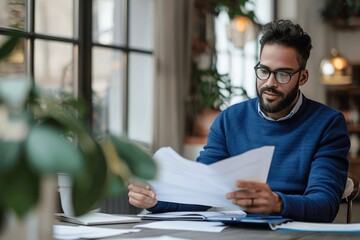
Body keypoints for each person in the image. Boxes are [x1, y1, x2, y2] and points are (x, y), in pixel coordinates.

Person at [128, 19, 350, 223]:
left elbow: (324, 205)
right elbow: (201, 190)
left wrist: (278, 203)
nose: (270, 83)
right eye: (264, 71)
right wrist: (155, 201)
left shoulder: (328, 124)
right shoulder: (229, 120)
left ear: (302, 77)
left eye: (283, 74)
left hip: (294, 232)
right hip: (236, 231)